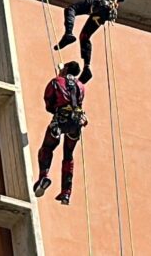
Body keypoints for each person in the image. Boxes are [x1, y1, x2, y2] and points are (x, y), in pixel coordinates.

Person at [53, 0, 125, 83]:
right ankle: (87, 68)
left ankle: (68, 34)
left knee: (71, 9)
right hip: (108, 10)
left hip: (99, 3)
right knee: (84, 36)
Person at [33, 61, 89, 205]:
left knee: (47, 147)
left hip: (61, 120)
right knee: (68, 155)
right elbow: (79, 102)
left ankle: (43, 176)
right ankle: (66, 193)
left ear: (66, 69)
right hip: (76, 123)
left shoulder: (56, 82)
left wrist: (56, 110)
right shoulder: (81, 86)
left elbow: (48, 103)